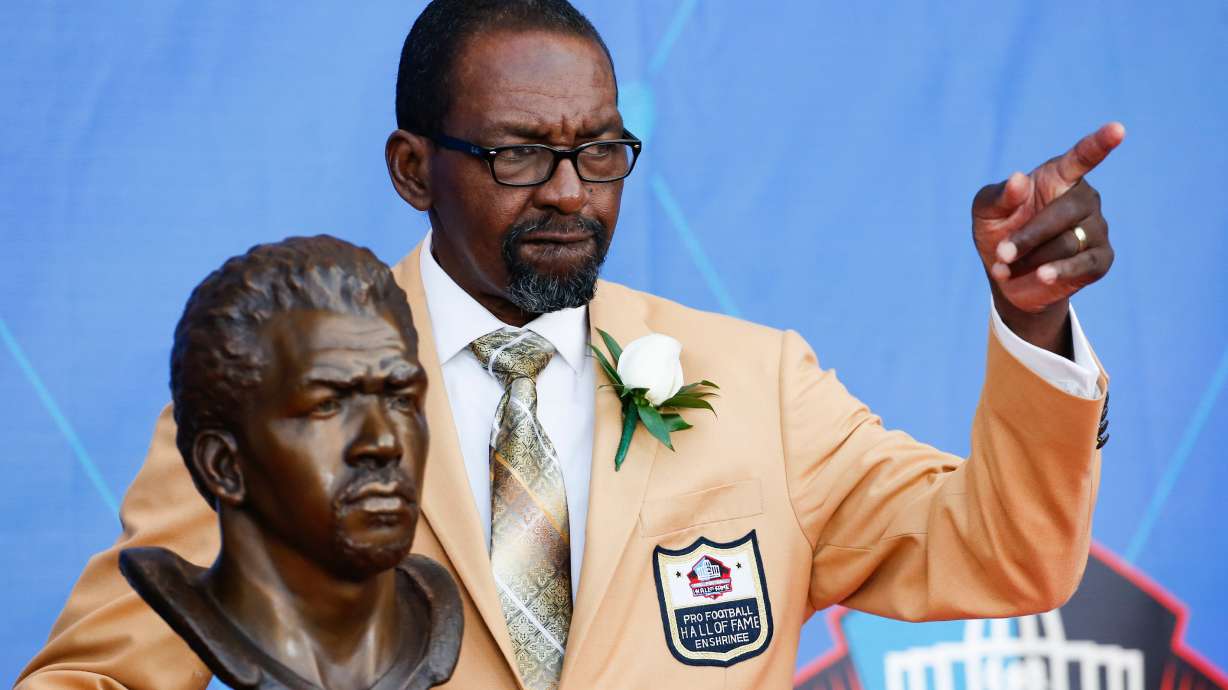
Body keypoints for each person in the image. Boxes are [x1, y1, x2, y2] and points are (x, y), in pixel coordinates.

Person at [17, 1, 1120, 688]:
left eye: (600, 152)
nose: (568, 194)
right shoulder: (275, 394)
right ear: (412, 169)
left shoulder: (754, 382)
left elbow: (1006, 553)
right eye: (516, 156)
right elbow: (100, 675)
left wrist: (1031, 323)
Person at [116, 235, 462, 689]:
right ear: (223, 464)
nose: (382, 442)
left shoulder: (432, 610)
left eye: (400, 399)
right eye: (326, 405)